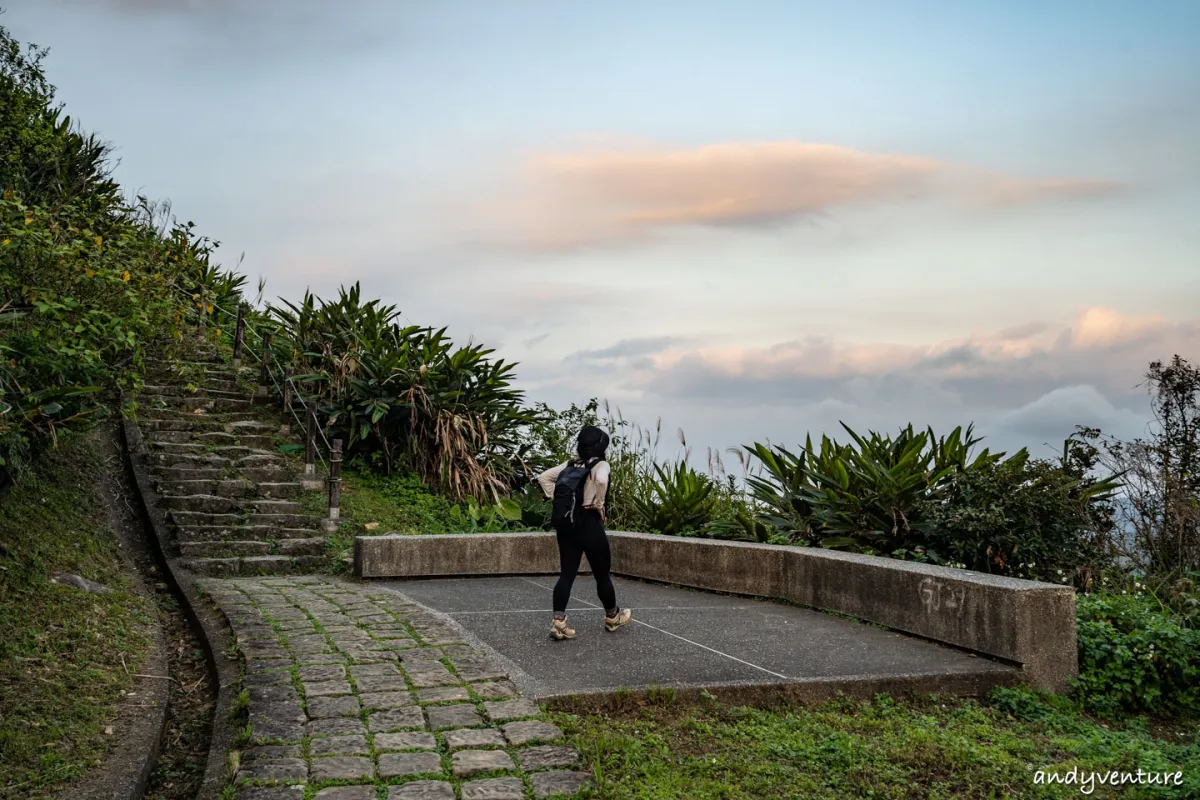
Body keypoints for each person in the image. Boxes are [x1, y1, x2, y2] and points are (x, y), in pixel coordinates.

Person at [536, 426, 632, 640]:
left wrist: (561, 501)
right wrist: (598, 504)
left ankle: (559, 623)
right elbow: (602, 480)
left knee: (566, 574)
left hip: (567, 524)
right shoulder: (601, 464)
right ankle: (612, 616)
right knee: (601, 575)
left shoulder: (570, 463)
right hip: (589, 522)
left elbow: (543, 477)